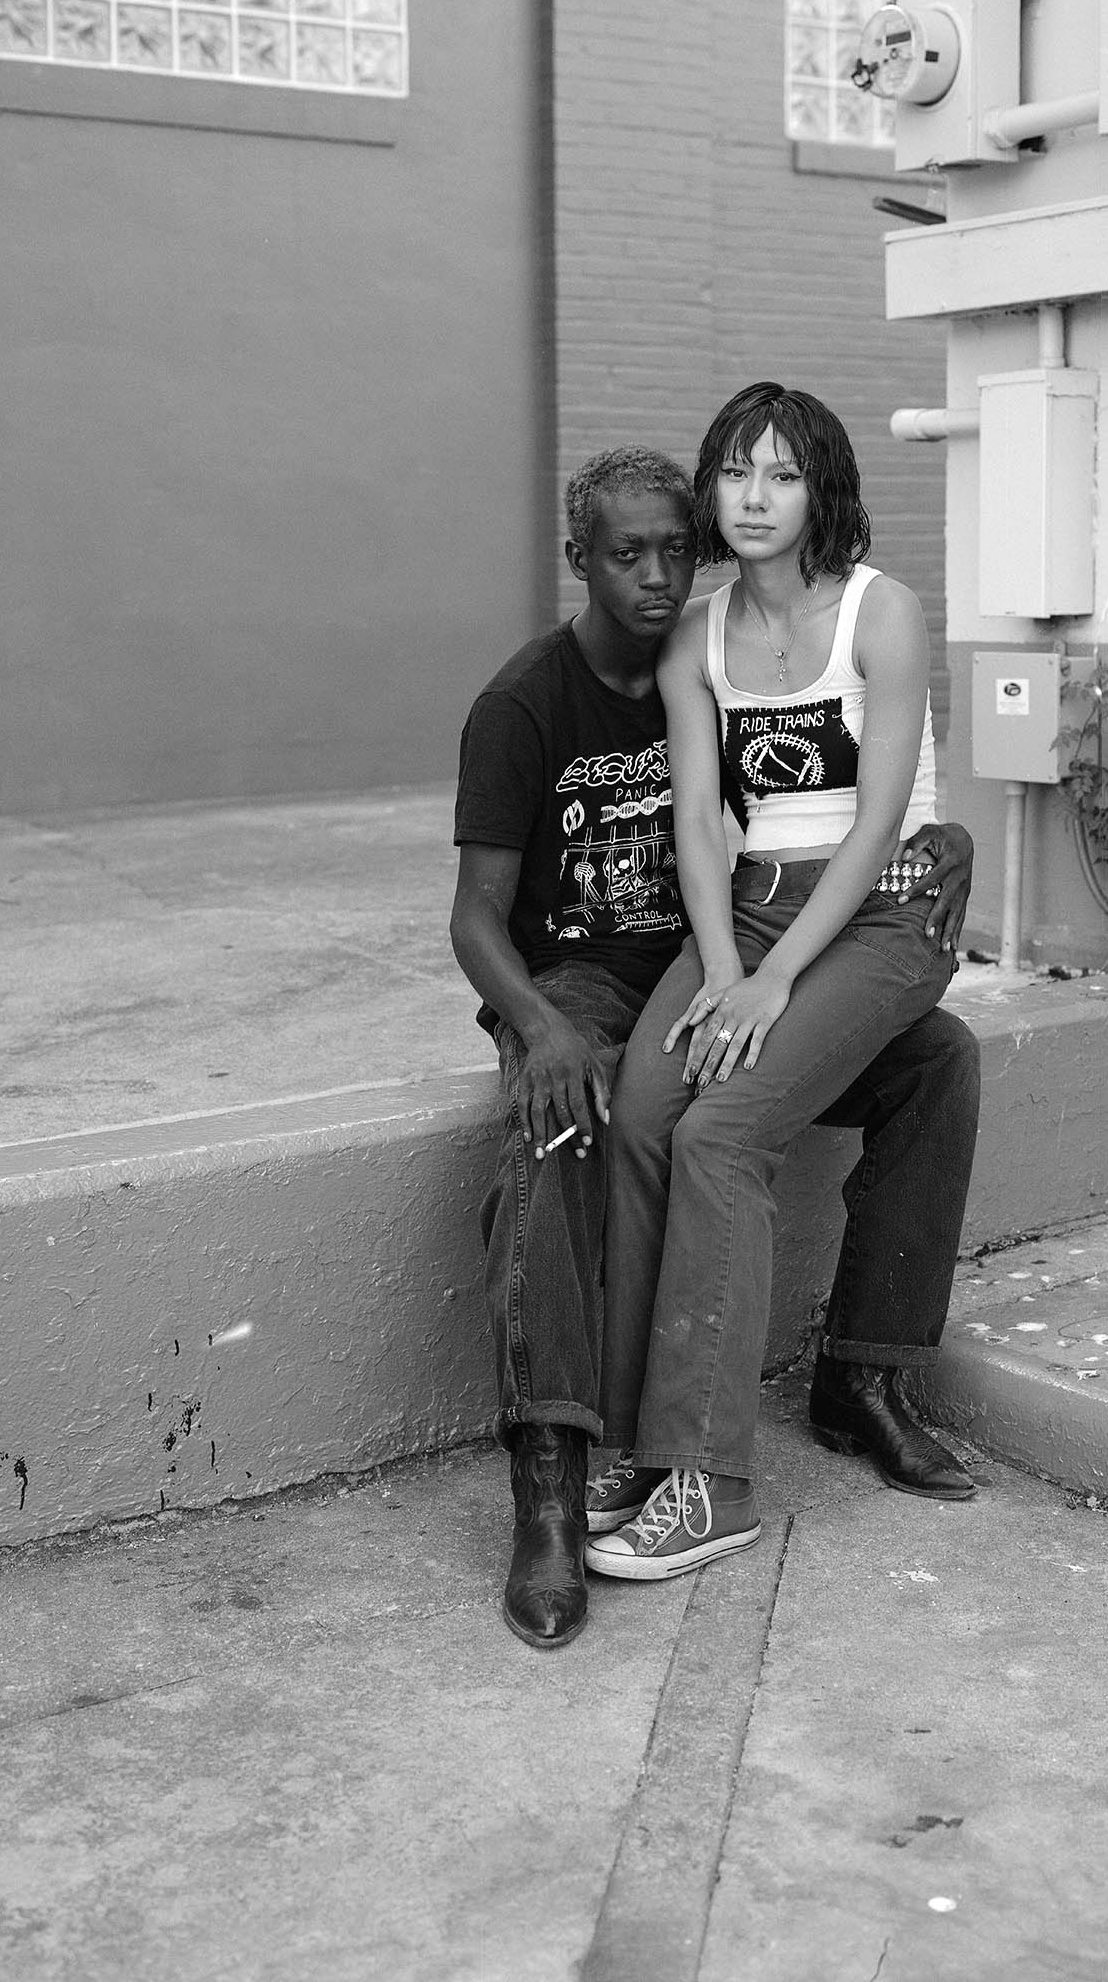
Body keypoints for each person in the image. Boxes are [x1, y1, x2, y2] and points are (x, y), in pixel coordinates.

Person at [451, 442, 979, 1651]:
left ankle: (863, 1375)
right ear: (577, 558)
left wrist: (941, 839)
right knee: (569, 1121)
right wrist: (534, 1023)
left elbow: (841, 784)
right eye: (625, 553)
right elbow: (474, 911)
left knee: (937, 1059)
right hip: (592, 981)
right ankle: (553, 1476)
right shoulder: (527, 702)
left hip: (719, 954)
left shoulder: (730, 646)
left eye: (670, 551)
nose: (653, 574)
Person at [586, 385, 964, 1584]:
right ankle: (633, 1438)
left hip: (877, 914)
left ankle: (712, 1480)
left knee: (722, 1135)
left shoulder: (879, 611)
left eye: (781, 475)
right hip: (744, 908)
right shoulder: (695, 634)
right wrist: (726, 962)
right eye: (735, 473)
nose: (752, 498)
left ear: (821, 492)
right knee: (643, 1112)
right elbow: (701, 817)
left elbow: (880, 819)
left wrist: (771, 984)